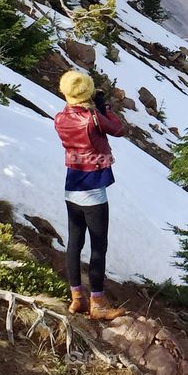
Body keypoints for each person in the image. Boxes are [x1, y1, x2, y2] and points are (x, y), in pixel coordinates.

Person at [54, 70, 128, 320]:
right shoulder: (93, 118)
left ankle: (77, 298)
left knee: (74, 243)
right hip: (93, 188)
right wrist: (103, 107)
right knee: (98, 247)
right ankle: (97, 302)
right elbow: (118, 129)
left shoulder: (60, 118)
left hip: (71, 185)